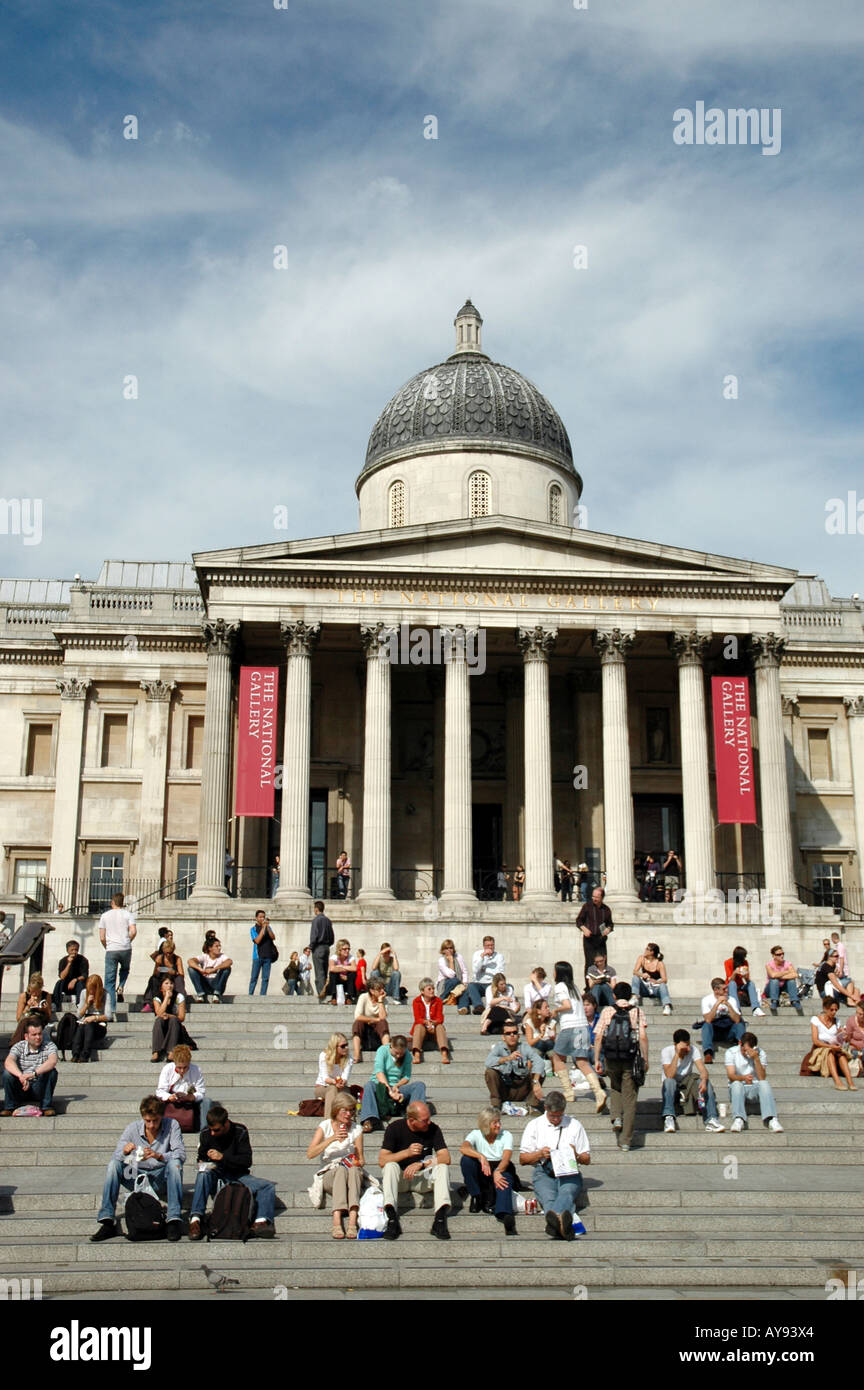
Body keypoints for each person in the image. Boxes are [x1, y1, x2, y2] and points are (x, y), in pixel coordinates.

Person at [90, 1095, 185, 1242]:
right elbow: (117, 1155)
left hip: (161, 1177)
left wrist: (158, 1156)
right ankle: (107, 1219)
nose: (152, 1125)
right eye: (148, 1121)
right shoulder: (132, 1128)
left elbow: (180, 1154)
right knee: (114, 1165)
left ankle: (173, 1219)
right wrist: (125, 1152)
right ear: (143, 1118)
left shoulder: (172, 1125)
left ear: (162, 1116)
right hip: (137, 1176)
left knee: (175, 1164)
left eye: (156, 1121)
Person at [188, 1104, 276, 1239]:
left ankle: (260, 1223)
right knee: (203, 1174)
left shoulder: (240, 1131)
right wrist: (204, 1163)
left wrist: (223, 1157)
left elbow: (246, 1161)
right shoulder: (206, 1133)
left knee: (267, 1186)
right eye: (211, 1129)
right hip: (215, 1173)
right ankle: (195, 1220)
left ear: (226, 1123)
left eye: (216, 1130)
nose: (213, 1133)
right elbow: (201, 1157)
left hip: (238, 1174)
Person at [519, 1092, 590, 1241]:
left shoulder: (575, 1125)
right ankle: (563, 1226)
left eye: (560, 1116)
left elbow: (586, 1158)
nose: (557, 1119)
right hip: (544, 1170)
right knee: (547, 1198)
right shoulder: (534, 1125)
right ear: (545, 1109)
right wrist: (539, 1154)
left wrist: (576, 1154)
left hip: (569, 1171)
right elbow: (523, 1159)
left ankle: (555, 1226)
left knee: (567, 1192)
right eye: (553, 1116)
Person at [379, 1100, 451, 1241]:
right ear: (412, 1120)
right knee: (390, 1166)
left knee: (442, 1166)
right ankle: (392, 1218)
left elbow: (446, 1157)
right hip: (402, 1178)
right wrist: (406, 1153)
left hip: (422, 1178)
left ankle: (440, 1219)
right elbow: (382, 1160)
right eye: (425, 1120)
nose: (428, 1123)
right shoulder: (395, 1128)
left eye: (429, 1118)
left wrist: (422, 1163)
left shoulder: (433, 1129)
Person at [594, 982, 649, 1150]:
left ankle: (616, 1117)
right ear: (631, 995)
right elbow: (643, 1037)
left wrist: (597, 1059)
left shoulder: (607, 1011)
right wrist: (645, 1059)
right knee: (630, 1098)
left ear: (614, 996)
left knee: (615, 1086)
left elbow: (598, 1037)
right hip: (630, 1058)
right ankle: (625, 1140)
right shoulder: (637, 1011)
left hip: (611, 1057)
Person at [306, 1094, 367, 1238]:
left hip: (351, 1173)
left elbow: (361, 1160)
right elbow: (310, 1153)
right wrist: (332, 1138)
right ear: (336, 1110)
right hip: (330, 1173)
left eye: (351, 1111)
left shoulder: (356, 1129)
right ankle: (337, 1221)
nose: (348, 1114)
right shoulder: (325, 1126)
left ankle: (352, 1222)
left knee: (351, 1169)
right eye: (345, 1110)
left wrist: (355, 1161)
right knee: (339, 1169)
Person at [549, 960, 606, 1111]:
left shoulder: (560, 987)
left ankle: (568, 1092)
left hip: (569, 1027)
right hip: (582, 1027)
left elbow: (567, 1005)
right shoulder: (573, 987)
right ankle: (598, 1092)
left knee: (557, 1057)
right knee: (582, 1061)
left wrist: (556, 1010)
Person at [460, 1107, 517, 1233]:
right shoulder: (476, 1134)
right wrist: (481, 1156)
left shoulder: (506, 1135)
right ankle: (476, 1195)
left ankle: (504, 1214)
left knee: (504, 1181)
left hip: (501, 1166)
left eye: (499, 1122)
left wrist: (498, 1172)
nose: (499, 1125)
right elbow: (464, 1148)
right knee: (466, 1160)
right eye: (495, 1123)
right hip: (483, 1168)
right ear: (486, 1124)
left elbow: (506, 1159)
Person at [660, 1028, 724, 1133]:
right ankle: (669, 1117)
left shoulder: (693, 1050)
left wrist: (703, 1080)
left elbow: (703, 1070)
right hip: (673, 1090)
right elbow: (669, 1075)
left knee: (704, 1082)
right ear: (675, 1044)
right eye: (685, 1047)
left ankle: (711, 1119)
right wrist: (677, 1055)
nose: (688, 1049)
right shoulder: (666, 1051)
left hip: (687, 1087)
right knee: (669, 1082)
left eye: (689, 1045)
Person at [358, 1035, 427, 1132]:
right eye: (396, 1053)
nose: (398, 1056)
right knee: (369, 1086)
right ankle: (369, 1120)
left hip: (395, 1086)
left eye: (401, 1054)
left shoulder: (407, 1055)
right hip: (380, 1085)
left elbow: (406, 1076)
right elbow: (379, 1072)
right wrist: (389, 1090)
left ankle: (414, 1117)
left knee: (419, 1085)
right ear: (391, 1047)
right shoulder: (382, 1050)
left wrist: (396, 1086)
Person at [724, 1032, 783, 1133]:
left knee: (764, 1084)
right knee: (737, 1084)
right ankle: (738, 1119)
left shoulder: (761, 1053)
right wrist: (743, 1078)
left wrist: (756, 1059)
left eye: (749, 1050)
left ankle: (772, 1119)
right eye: (744, 1050)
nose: (747, 1053)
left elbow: (762, 1077)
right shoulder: (731, 1052)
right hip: (738, 1088)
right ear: (740, 1043)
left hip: (754, 1088)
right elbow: (731, 1075)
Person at [484, 1022, 545, 1113]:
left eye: (515, 1032)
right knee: (490, 1072)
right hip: (505, 1087)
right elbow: (488, 1062)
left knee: (540, 1071)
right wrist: (507, 1058)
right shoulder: (498, 1048)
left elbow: (539, 1061)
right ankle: (496, 1105)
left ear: (518, 1035)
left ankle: (533, 1105)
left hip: (522, 1086)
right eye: (508, 1033)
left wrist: (536, 1081)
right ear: (503, 1037)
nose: (512, 1035)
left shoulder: (524, 1047)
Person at [2, 1020, 58, 1115]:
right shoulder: (19, 1046)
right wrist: (21, 1076)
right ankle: (9, 1107)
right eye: (34, 1034)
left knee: (52, 1072)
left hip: (38, 1087)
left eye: (40, 1034)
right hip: (21, 1087)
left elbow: (52, 1061)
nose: (38, 1037)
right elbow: (8, 1062)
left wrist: (33, 1074)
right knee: (7, 1074)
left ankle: (46, 1106)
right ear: (26, 1037)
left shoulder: (49, 1045)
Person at [804, 997, 858, 1090]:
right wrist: (830, 1046)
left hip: (834, 1046)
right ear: (825, 1008)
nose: (834, 1012)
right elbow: (815, 1040)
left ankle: (850, 1082)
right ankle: (837, 1081)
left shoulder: (837, 1021)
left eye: (836, 1010)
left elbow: (839, 1038)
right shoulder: (815, 1020)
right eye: (831, 1010)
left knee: (841, 1055)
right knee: (829, 1053)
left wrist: (843, 1035)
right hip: (821, 1047)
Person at [98, 891, 137, 1020]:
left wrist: (107, 946)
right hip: (125, 947)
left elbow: (102, 937)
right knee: (125, 969)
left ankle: (112, 1010)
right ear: (123, 903)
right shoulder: (128, 914)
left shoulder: (104, 916)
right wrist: (127, 940)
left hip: (111, 949)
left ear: (112, 902)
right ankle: (121, 985)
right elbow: (133, 931)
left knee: (109, 982)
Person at [156, 1044, 206, 1127]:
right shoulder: (167, 1069)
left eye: (185, 1067)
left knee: (206, 1102)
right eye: (179, 1067)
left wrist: (193, 1097)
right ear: (174, 1063)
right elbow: (160, 1091)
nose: (182, 1070)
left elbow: (201, 1091)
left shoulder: (196, 1070)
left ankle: (203, 1128)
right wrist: (169, 1097)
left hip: (190, 1102)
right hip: (171, 1101)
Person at [150, 978, 196, 1063]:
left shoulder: (179, 996)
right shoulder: (157, 997)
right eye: (166, 983)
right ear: (161, 986)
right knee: (158, 1020)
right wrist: (167, 997)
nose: (169, 986)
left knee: (174, 1020)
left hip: (175, 1027)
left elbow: (182, 1017)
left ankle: (171, 1051)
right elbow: (159, 1013)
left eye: (171, 983)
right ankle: (156, 1051)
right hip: (163, 1025)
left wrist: (169, 1015)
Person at [141, 928, 186, 1011]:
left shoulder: (177, 959)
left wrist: (174, 972)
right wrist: (161, 970)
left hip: (173, 978)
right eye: (166, 953)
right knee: (153, 979)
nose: (168, 955)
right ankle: (150, 1003)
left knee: (179, 979)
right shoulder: (159, 958)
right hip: (162, 978)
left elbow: (181, 974)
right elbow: (155, 973)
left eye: (170, 953)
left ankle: (180, 1004)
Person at [701, 978, 744, 1062]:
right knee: (706, 1025)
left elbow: (737, 1020)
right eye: (724, 989)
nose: (727, 991)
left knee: (740, 1024)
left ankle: (743, 1048)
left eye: (727, 988)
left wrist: (728, 1005)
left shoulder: (731, 999)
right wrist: (717, 1004)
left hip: (729, 1031)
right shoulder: (706, 1000)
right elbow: (708, 1019)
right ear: (716, 990)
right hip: (714, 1031)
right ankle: (708, 1053)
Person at [71, 974, 109, 1063]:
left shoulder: (106, 995)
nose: (91, 991)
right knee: (81, 1026)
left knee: (89, 1026)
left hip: (99, 1024)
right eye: (89, 989)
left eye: (93, 989)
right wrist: (87, 1005)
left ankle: (85, 1054)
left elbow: (108, 1016)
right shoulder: (84, 993)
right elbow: (79, 1014)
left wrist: (95, 1018)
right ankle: (75, 1054)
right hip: (86, 1021)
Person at [462, 936, 506, 1013]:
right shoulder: (477, 954)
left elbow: (500, 973)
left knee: (508, 986)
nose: (490, 947)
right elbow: (475, 970)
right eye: (487, 945)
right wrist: (482, 957)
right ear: (484, 946)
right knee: (471, 986)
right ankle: (479, 1006)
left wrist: (486, 970)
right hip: (479, 983)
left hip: (492, 984)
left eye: (492, 945)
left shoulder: (499, 956)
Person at [412, 978, 451, 1063]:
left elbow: (440, 1018)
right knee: (418, 1026)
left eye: (433, 988)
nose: (432, 991)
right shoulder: (416, 1001)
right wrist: (426, 1022)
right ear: (422, 991)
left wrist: (434, 1023)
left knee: (440, 1027)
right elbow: (417, 1018)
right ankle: (417, 1054)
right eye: (429, 989)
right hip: (423, 1028)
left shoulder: (438, 1001)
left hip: (434, 1029)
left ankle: (444, 1054)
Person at [315, 1033, 354, 1115]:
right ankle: (328, 1121)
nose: (346, 1048)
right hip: (323, 1087)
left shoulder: (349, 1058)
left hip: (341, 1087)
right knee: (332, 1089)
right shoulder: (324, 1056)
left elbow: (345, 1077)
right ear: (335, 1047)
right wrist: (335, 1082)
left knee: (345, 1094)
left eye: (347, 1045)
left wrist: (341, 1082)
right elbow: (325, 1078)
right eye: (343, 1046)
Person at [353, 979, 390, 1062]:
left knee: (383, 1024)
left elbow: (383, 1017)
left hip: (377, 1026)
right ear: (372, 991)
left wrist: (380, 1001)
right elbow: (358, 1016)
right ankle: (356, 1054)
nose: (382, 991)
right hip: (365, 1025)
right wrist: (374, 1019)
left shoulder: (384, 1000)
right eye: (379, 989)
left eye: (383, 988)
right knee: (357, 1024)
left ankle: (387, 1054)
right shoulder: (363, 997)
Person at [9, 972, 52, 1044]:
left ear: (40, 989)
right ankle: (15, 1045)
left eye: (37, 991)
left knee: (33, 1021)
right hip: (26, 1018)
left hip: (40, 1019)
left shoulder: (46, 995)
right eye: (32, 991)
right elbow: (18, 1018)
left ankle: (15, 1044)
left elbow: (49, 1017)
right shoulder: (24, 996)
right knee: (24, 1022)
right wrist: (28, 1007)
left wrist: (44, 1009)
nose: (34, 994)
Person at [187, 937, 233, 1003]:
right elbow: (190, 961)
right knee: (191, 969)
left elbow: (229, 962)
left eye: (219, 946)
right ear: (210, 948)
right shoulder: (204, 956)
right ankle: (200, 994)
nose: (219, 948)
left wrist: (214, 969)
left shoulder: (222, 956)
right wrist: (200, 969)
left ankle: (216, 994)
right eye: (216, 946)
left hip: (216, 983)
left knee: (227, 969)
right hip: (205, 983)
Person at [576, 886, 614, 967]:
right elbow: (579, 920)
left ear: (602, 897)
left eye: (597, 897)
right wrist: (584, 929)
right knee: (590, 963)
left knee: (602, 963)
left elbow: (610, 924)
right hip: (589, 939)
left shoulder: (606, 909)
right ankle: (588, 979)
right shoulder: (587, 906)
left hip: (601, 939)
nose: (594, 899)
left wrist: (608, 929)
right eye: (593, 896)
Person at [724, 945, 765, 1017]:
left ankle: (756, 1008)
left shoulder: (745, 962)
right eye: (744, 956)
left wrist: (745, 975)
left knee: (751, 984)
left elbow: (747, 980)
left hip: (741, 985)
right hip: (730, 985)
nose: (745, 958)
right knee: (733, 984)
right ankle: (736, 1009)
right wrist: (735, 972)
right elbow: (729, 979)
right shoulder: (728, 962)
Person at [631, 943, 672, 1015]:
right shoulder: (641, 958)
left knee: (663, 985)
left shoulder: (659, 963)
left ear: (652, 952)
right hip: (645, 988)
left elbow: (665, 979)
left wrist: (656, 982)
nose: (645, 950)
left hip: (655, 988)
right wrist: (642, 974)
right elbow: (634, 971)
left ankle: (667, 1006)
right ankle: (634, 997)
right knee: (635, 978)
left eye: (647, 949)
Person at [765, 945, 804, 1015]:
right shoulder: (769, 965)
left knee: (791, 981)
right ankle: (774, 1001)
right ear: (773, 956)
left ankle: (794, 1001)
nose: (782, 956)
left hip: (784, 989)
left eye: (783, 954)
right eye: (779, 954)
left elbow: (795, 975)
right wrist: (787, 972)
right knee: (774, 980)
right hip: (771, 989)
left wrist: (778, 976)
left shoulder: (787, 963)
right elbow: (772, 975)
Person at [51, 940, 90, 1011]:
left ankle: (80, 1005)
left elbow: (85, 975)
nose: (74, 952)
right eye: (72, 950)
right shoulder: (63, 961)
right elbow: (62, 976)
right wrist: (69, 963)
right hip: (66, 985)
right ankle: (56, 1004)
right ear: (67, 950)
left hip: (78, 984)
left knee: (80, 984)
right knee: (59, 983)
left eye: (76, 950)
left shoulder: (83, 960)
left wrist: (75, 980)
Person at [249, 909, 277, 996]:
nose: (262, 919)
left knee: (265, 978)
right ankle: (250, 993)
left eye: (263, 917)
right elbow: (257, 940)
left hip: (268, 956)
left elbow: (273, 937)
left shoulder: (269, 928)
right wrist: (263, 928)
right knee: (254, 977)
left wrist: (267, 927)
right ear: (256, 918)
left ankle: (263, 994)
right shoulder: (253, 929)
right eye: (260, 917)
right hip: (257, 956)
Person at [310, 901, 335, 997]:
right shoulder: (328, 920)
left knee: (319, 971)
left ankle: (322, 992)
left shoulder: (316, 920)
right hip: (326, 947)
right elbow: (332, 937)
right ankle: (326, 990)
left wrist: (311, 946)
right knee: (324, 971)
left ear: (316, 909)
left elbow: (314, 935)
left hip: (318, 947)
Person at [325, 939, 358, 1003]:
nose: (347, 951)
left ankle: (349, 997)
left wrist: (341, 966)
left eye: (348, 949)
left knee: (352, 974)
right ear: (339, 949)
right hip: (337, 980)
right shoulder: (334, 957)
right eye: (345, 949)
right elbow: (331, 968)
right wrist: (345, 971)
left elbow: (354, 968)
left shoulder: (350, 957)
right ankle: (334, 996)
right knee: (332, 973)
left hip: (347, 981)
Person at [436, 939, 468, 1005]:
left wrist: (465, 982)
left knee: (465, 988)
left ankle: (461, 1005)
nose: (449, 950)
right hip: (445, 984)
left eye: (451, 948)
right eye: (446, 948)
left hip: (458, 983)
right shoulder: (441, 960)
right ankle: (440, 999)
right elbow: (451, 975)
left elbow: (464, 971)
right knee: (454, 980)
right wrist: (451, 961)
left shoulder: (459, 957)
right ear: (443, 950)